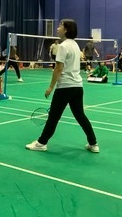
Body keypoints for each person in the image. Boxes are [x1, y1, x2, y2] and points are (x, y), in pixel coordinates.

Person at [25, 19, 99, 153]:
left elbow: (58, 68)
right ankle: (93, 144)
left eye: (60, 26)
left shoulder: (63, 46)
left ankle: (41, 143)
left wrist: (50, 87)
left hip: (65, 87)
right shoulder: (75, 45)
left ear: (66, 30)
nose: (57, 28)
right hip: (77, 87)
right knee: (80, 116)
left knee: (53, 117)